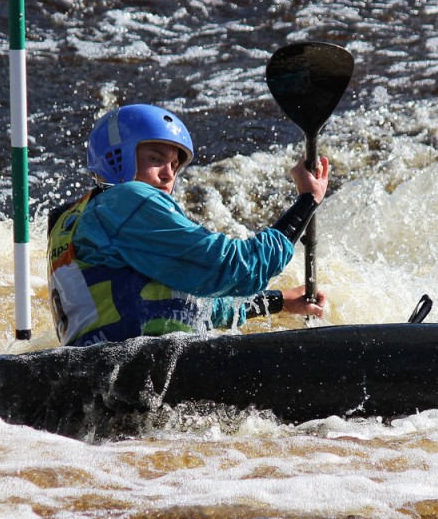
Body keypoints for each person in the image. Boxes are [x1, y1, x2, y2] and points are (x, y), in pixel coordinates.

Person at [47, 103, 328, 347]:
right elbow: (231, 267)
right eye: (155, 159)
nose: (168, 174)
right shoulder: (126, 199)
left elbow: (197, 306)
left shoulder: (79, 217)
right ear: (116, 156)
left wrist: (280, 301)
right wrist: (307, 201)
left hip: (106, 365)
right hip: (139, 365)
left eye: (174, 165)